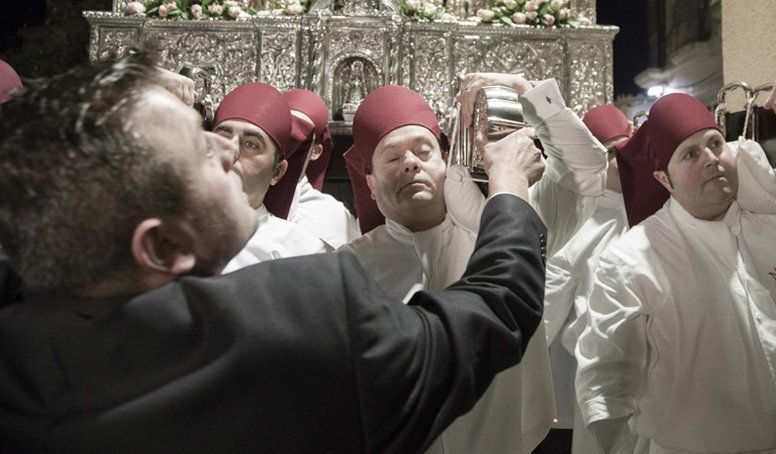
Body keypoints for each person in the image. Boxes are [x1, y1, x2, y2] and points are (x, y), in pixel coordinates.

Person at [0, 51, 551, 453]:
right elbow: (494, 310)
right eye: (198, 147)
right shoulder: (300, 318)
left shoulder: (24, 343)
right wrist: (508, 187)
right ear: (162, 247)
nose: (226, 149)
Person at [574, 77, 776, 453]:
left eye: (715, 144)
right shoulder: (632, 259)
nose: (710, 158)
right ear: (664, 179)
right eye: (689, 154)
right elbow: (606, 384)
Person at [339, 74, 609, 454]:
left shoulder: (504, 227)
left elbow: (587, 170)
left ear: (447, 162)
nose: (411, 164)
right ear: (369, 183)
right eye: (393, 157)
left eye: (423, 151)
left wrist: (526, 91)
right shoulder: (350, 268)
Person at [541, 103, 634, 453]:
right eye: (611, 152)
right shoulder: (578, 219)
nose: (621, 159)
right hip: (580, 383)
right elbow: (546, 309)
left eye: (628, 147)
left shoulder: (654, 204)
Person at [211, 82, 327, 272]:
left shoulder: (300, 251)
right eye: (222, 137)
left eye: (251, 144)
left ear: (277, 172)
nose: (231, 150)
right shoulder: (167, 227)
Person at [277, 88, 359, 249]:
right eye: (285, 134)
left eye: (301, 139)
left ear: (316, 151)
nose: (290, 147)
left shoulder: (334, 215)